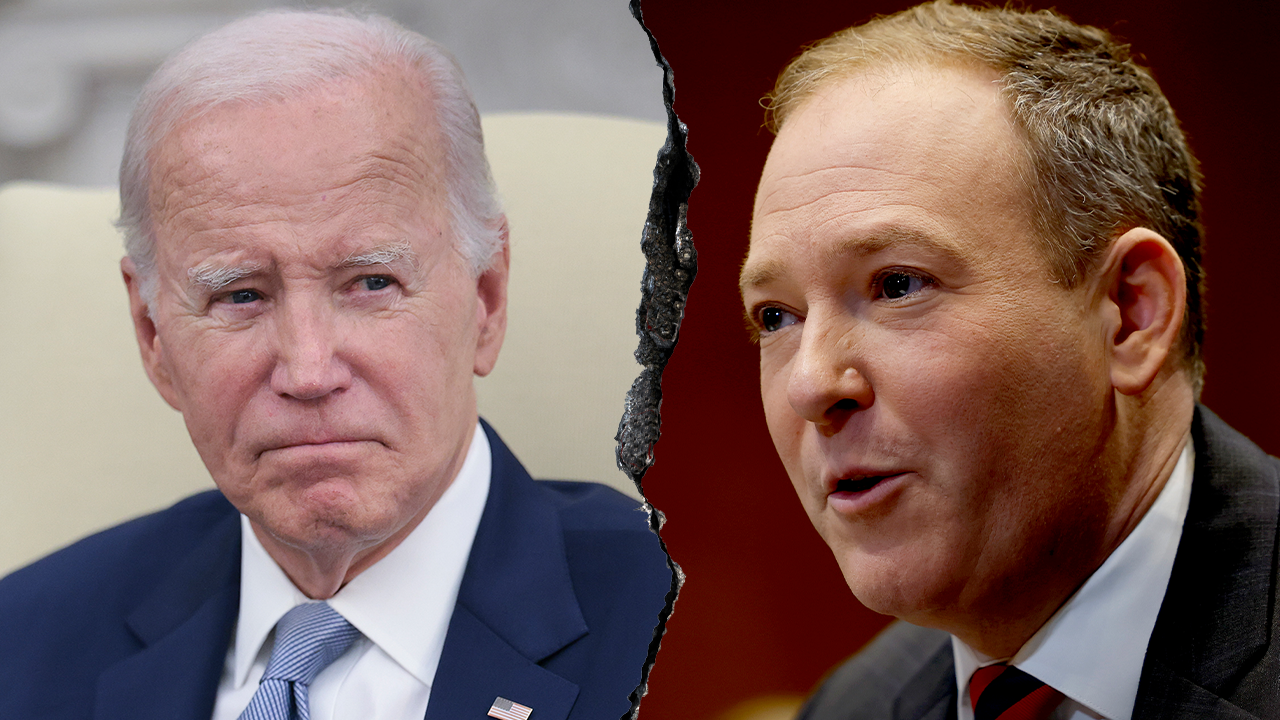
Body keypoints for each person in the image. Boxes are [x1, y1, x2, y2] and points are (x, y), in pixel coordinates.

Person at [0, 9, 671, 720]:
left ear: (486, 297)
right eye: (240, 295)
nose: (308, 370)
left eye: (371, 283)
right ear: (152, 336)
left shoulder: (674, 619)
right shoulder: (25, 646)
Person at [738, 2, 1278, 719]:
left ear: (1130, 315)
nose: (810, 384)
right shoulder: (855, 706)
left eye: (897, 285)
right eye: (777, 317)